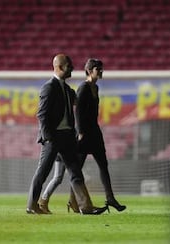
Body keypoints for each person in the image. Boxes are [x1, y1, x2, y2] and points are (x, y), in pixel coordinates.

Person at [38, 58, 126, 213]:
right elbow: (77, 111)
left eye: (101, 69)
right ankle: (52, 201)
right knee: (69, 172)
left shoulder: (95, 88)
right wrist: (80, 132)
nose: (101, 71)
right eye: (98, 69)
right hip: (82, 135)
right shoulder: (83, 88)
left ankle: (109, 198)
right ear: (89, 70)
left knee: (99, 167)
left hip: (94, 133)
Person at [26, 54, 108, 215]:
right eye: (69, 65)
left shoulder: (67, 89)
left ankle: (85, 206)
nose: (72, 68)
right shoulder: (48, 87)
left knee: (75, 172)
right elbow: (41, 115)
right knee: (43, 172)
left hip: (67, 138)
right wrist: (48, 137)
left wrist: (91, 87)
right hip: (53, 138)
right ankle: (32, 204)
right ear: (59, 67)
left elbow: (80, 102)